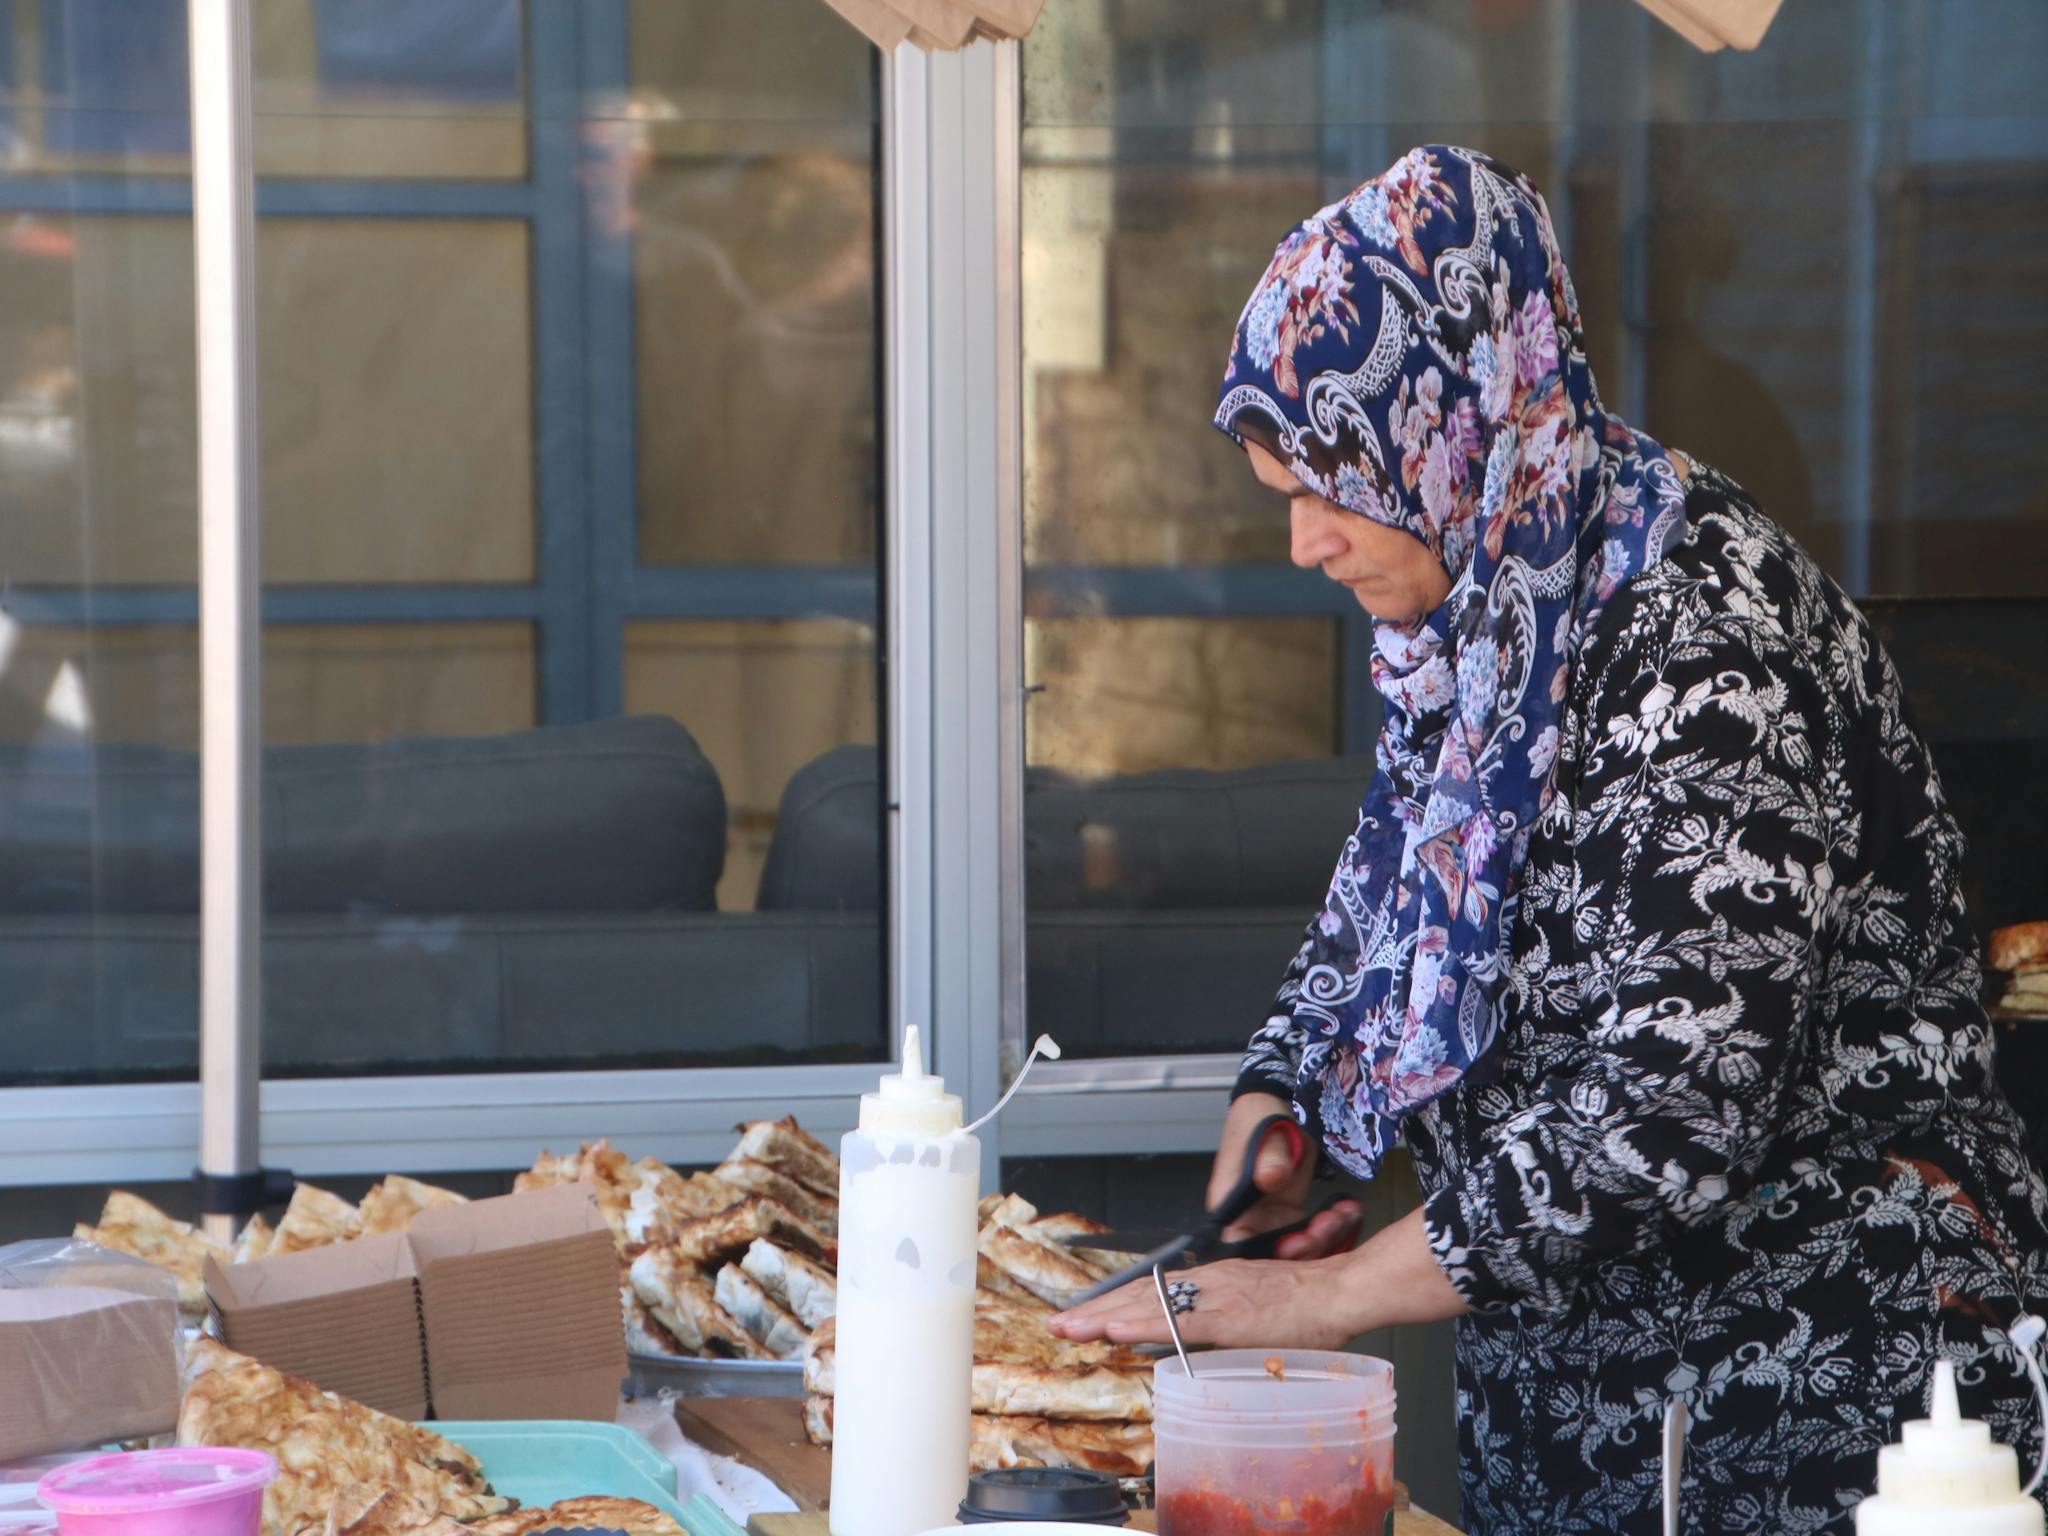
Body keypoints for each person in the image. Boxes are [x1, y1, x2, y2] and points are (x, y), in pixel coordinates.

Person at [1049, 146, 2048, 1534]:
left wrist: (1328, 1295)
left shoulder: (1709, 637)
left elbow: (1667, 1113)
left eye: (1331, 489)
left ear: (1449, 432)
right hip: (1583, 1412)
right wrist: (1283, 1103)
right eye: (1283, 493)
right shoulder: (1491, 611)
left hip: (1822, 1411)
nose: (1303, 544)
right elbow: (1391, 897)